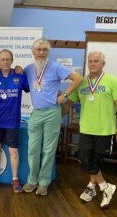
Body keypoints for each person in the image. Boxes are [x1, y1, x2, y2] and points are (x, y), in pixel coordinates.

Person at [64, 51, 117, 208]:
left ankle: (91, 187)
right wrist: (56, 118)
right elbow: (69, 103)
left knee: (95, 161)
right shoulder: (81, 82)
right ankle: (106, 187)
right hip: (86, 129)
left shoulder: (113, 80)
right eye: (90, 61)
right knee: (84, 159)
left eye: (96, 61)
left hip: (105, 130)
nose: (92, 63)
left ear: (103, 64)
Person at [23, 37, 82, 196]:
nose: (41, 52)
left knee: (48, 150)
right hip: (35, 113)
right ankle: (32, 180)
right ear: (33, 52)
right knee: (33, 150)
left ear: (48, 52)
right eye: (38, 50)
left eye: (44, 50)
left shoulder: (56, 67)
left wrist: (65, 96)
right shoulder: (28, 69)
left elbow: (78, 78)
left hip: (52, 112)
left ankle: (43, 183)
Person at [0, 49, 30, 193]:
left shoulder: (19, 75)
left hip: (12, 121)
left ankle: (15, 179)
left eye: (8, 59)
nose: (5, 61)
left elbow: (29, 89)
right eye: (2, 59)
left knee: (13, 151)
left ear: (12, 60)